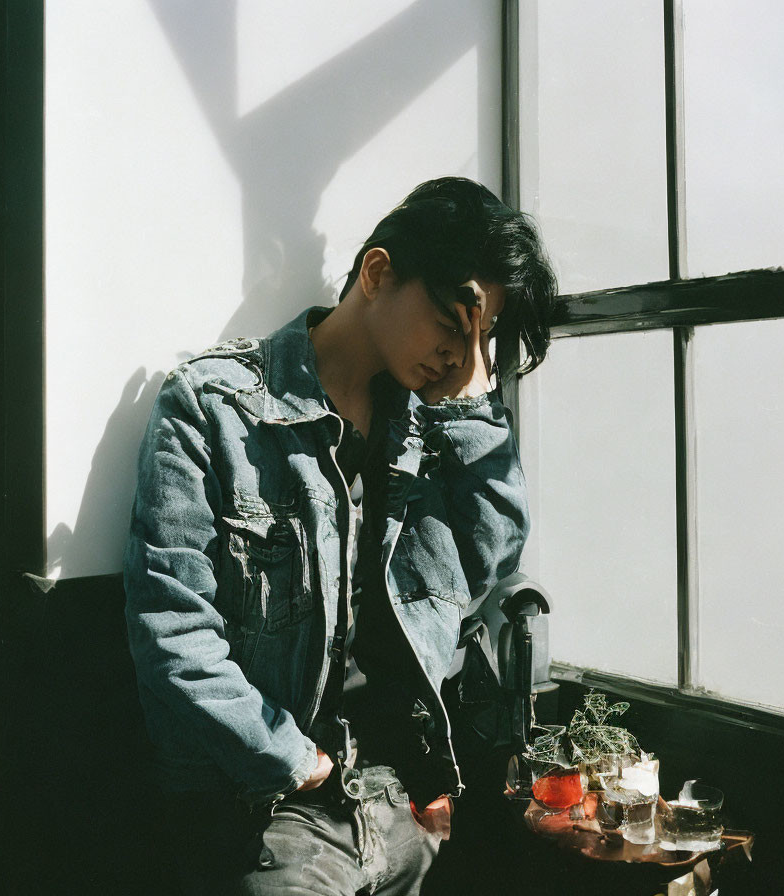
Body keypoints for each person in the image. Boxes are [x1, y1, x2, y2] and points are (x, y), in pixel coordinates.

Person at [123, 177, 556, 895]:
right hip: (268, 803)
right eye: (454, 324)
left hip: (406, 805)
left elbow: (483, 566)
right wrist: (301, 763)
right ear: (378, 273)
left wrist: (476, 404)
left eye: (482, 339)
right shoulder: (212, 407)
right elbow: (173, 634)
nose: (460, 357)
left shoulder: (423, 427)